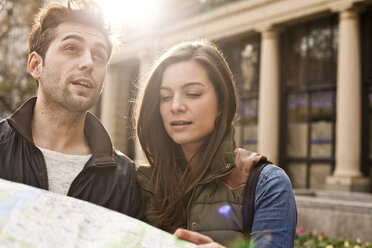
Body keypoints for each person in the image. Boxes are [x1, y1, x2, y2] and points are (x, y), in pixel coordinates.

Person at [135, 40, 297, 247]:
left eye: (192, 93)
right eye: (165, 97)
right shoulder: (141, 182)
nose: (175, 106)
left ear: (222, 103)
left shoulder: (267, 184)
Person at [0, 0, 143, 219]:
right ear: (36, 65)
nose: (88, 63)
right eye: (71, 48)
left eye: (99, 55)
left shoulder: (125, 178)